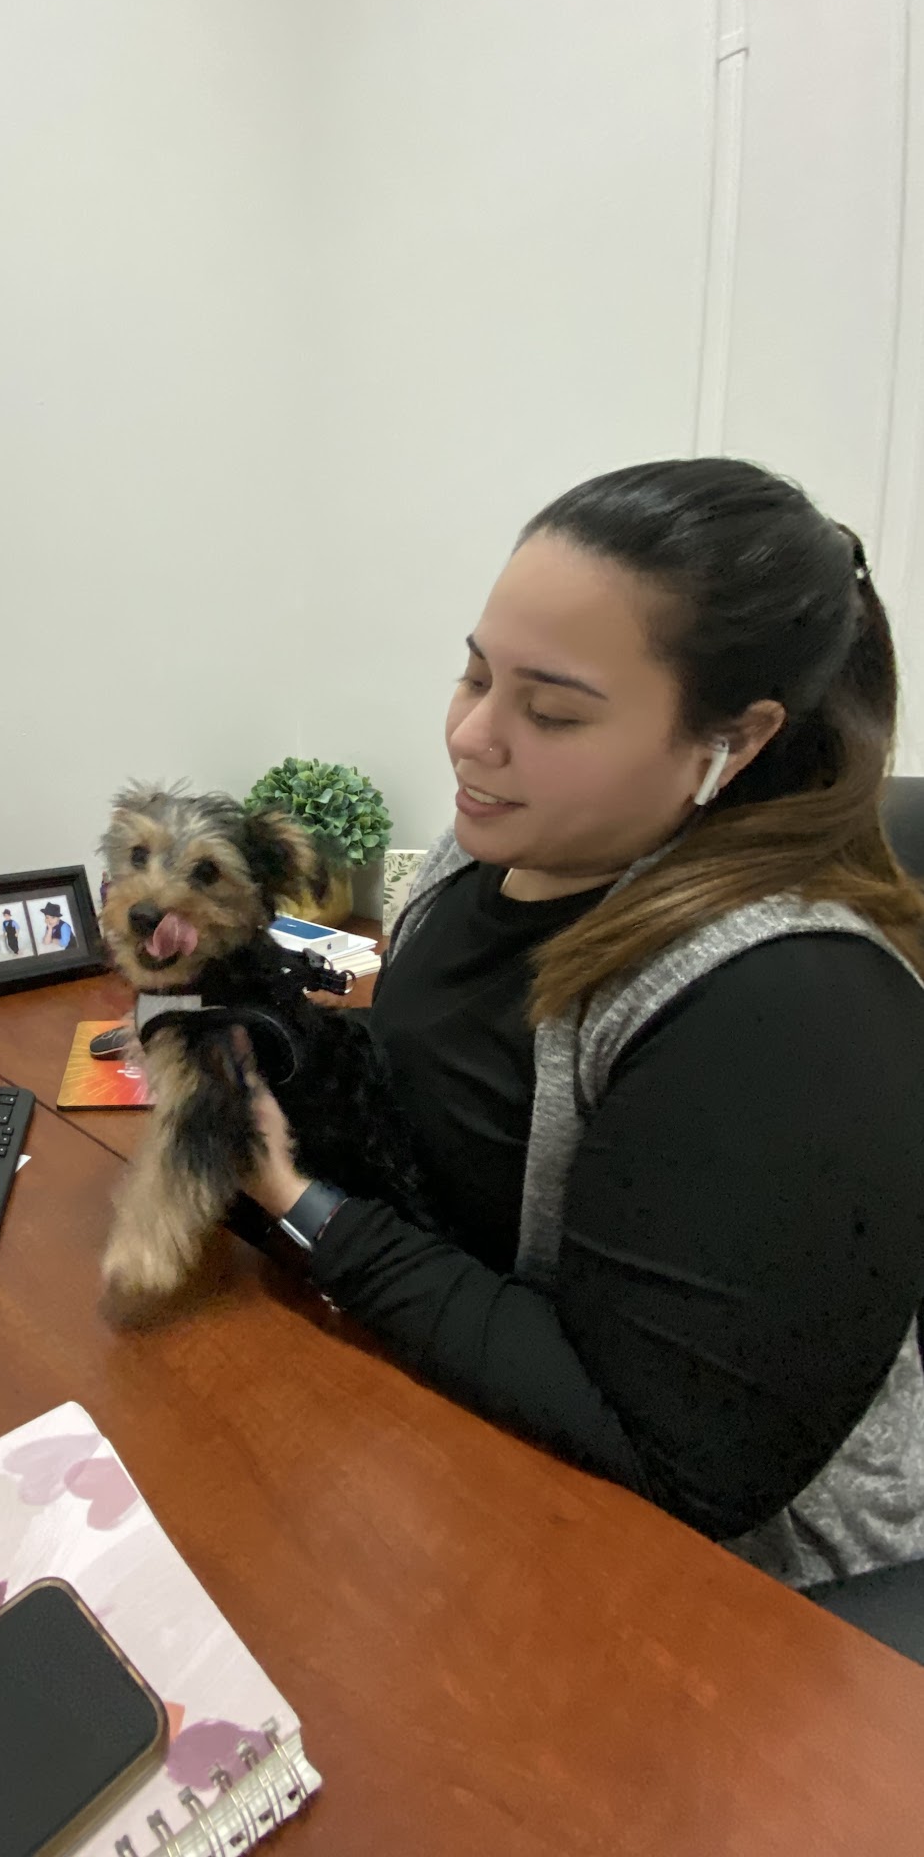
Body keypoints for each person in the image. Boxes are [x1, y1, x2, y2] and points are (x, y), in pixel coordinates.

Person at [241, 458, 924, 1588]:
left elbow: (677, 1462)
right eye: (475, 674)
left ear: (735, 740)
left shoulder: (786, 1003)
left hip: (755, 1598)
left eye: (551, 710)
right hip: (458, 1411)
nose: (472, 737)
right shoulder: (492, 846)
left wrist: (296, 1199)